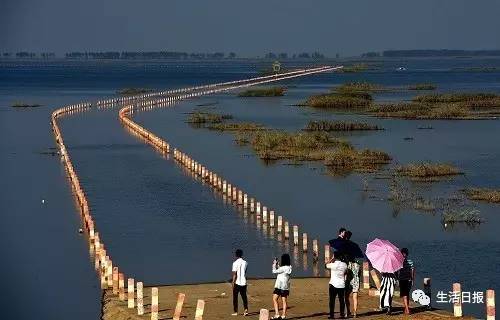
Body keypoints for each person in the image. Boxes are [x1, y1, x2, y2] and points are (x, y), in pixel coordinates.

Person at [326, 253, 348, 319]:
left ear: (335, 257)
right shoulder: (344, 264)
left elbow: (325, 265)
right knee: (341, 300)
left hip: (333, 284)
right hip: (341, 284)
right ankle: (342, 314)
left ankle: (332, 315)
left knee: (332, 300)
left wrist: (331, 259)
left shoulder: (332, 265)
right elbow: (346, 272)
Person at [344, 231, 360, 318]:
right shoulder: (358, 264)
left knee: (346, 297)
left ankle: (348, 312)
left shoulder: (348, 264)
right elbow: (359, 273)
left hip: (349, 280)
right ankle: (355, 313)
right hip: (356, 281)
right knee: (355, 298)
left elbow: (346, 272)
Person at [272, 254, 292, 319]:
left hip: (279, 285)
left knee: (275, 299)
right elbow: (281, 271)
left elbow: (274, 271)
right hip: (286, 286)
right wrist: (278, 265)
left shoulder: (283, 268)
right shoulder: (289, 267)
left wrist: (274, 264)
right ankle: (283, 315)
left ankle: (277, 314)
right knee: (284, 300)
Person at [397, 248, 415, 315]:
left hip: (404, 280)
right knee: (406, 294)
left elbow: (398, 272)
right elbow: (412, 271)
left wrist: (397, 280)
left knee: (405, 295)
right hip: (407, 280)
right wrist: (412, 280)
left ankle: (407, 309)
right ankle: (406, 308)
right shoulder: (410, 262)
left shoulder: (399, 262)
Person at [232, 249, 248, 316]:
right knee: (244, 297)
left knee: (235, 297)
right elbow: (245, 272)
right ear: (241, 254)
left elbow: (234, 274)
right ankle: (246, 310)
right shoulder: (246, 262)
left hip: (237, 282)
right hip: (244, 282)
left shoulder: (235, 263)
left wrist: (233, 282)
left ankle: (236, 311)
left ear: (236, 255)